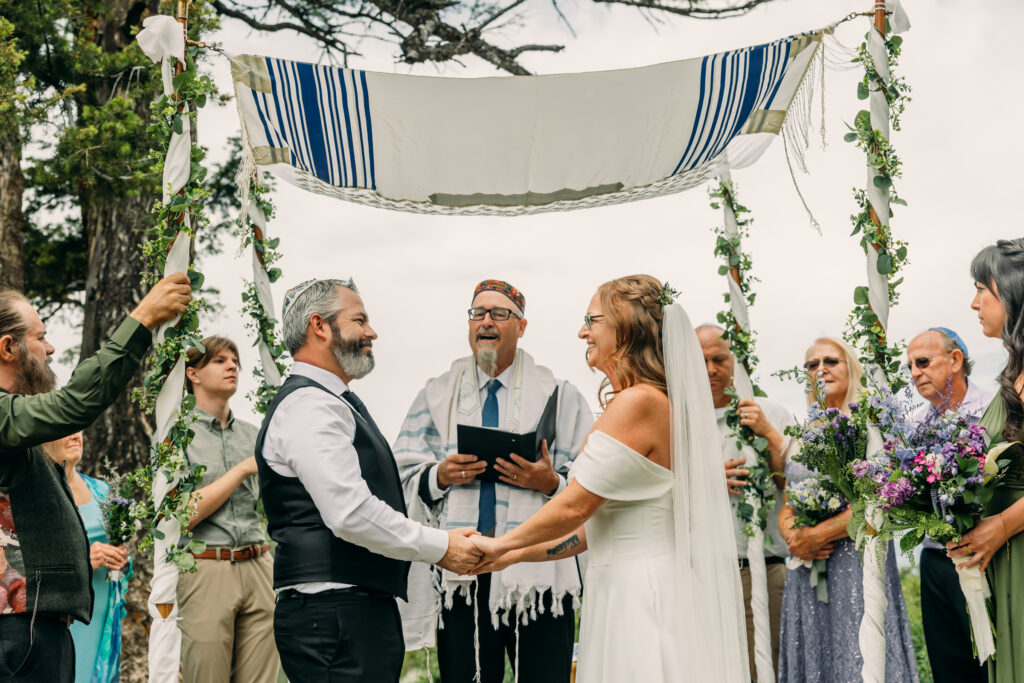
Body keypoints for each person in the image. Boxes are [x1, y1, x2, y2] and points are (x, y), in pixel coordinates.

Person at [470, 274, 749, 683]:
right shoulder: (649, 401)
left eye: (592, 320)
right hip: (621, 584)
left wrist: (500, 542)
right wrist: (511, 557)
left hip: (641, 592)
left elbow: (576, 504)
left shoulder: (639, 403)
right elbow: (589, 529)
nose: (582, 331)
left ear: (626, 327)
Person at [254, 278, 483, 683]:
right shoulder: (309, 406)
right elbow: (349, 512)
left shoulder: (329, 403)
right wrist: (441, 546)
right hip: (334, 617)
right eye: (359, 319)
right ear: (319, 326)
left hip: (350, 612)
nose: (371, 332)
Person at [394, 279, 593, 683]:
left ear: (521, 327)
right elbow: (402, 471)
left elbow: (592, 481)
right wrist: (440, 476)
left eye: (499, 314)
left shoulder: (560, 394)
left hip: (537, 572)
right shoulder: (436, 395)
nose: (486, 321)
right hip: (463, 568)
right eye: (478, 313)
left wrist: (549, 482)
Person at [0, 274, 190, 682]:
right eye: (41, 337)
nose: (50, 349)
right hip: (16, 632)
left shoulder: (16, 419)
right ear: (7, 347)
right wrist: (142, 318)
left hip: (36, 627)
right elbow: (72, 406)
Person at [777, 337, 918, 683]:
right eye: (812, 364)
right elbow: (788, 502)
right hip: (805, 569)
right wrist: (793, 536)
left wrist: (815, 535)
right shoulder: (802, 433)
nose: (820, 369)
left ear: (850, 368)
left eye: (830, 361)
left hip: (856, 562)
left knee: (858, 657)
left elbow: (876, 500)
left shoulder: (869, 426)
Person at [696, 324, 795, 681]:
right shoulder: (679, 422)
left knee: (767, 669)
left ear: (735, 361)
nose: (710, 369)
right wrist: (704, 480)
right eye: (701, 360)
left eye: (718, 359)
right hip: (701, 573)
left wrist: (769, 438)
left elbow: (796, 487)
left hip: (763, 572)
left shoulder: (772, 414)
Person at [177, 336, 279, 683]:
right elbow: (183, 515)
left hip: (260, 565)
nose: (232, 366)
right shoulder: (174, 435)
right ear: (193, 373)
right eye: (220, 361)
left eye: (235, 360)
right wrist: (240, 471)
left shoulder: (256, 435)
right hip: (207, 568)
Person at [948, 238, 1024, 683]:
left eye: (982, 288)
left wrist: (1001, 526)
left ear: (1012, 290)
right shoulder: (1014, 371)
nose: (974, 302)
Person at [907, 327, 990, 683]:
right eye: (909, 366)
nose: (914, 374)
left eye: (922, 362)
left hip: (987, 554)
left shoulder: (992, 410)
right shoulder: (913, 429)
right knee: (948, 667)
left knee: (993, 664)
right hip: (934, 560)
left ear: (955, 360)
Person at [43, 433, 129, 683]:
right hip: (62, 622)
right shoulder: (35, 495)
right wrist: (82, 562)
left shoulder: (102, 491)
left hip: (101, 618)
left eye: (77, 427)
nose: (74, 434)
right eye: (63, 428)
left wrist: (122, 559)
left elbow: (124, 563)